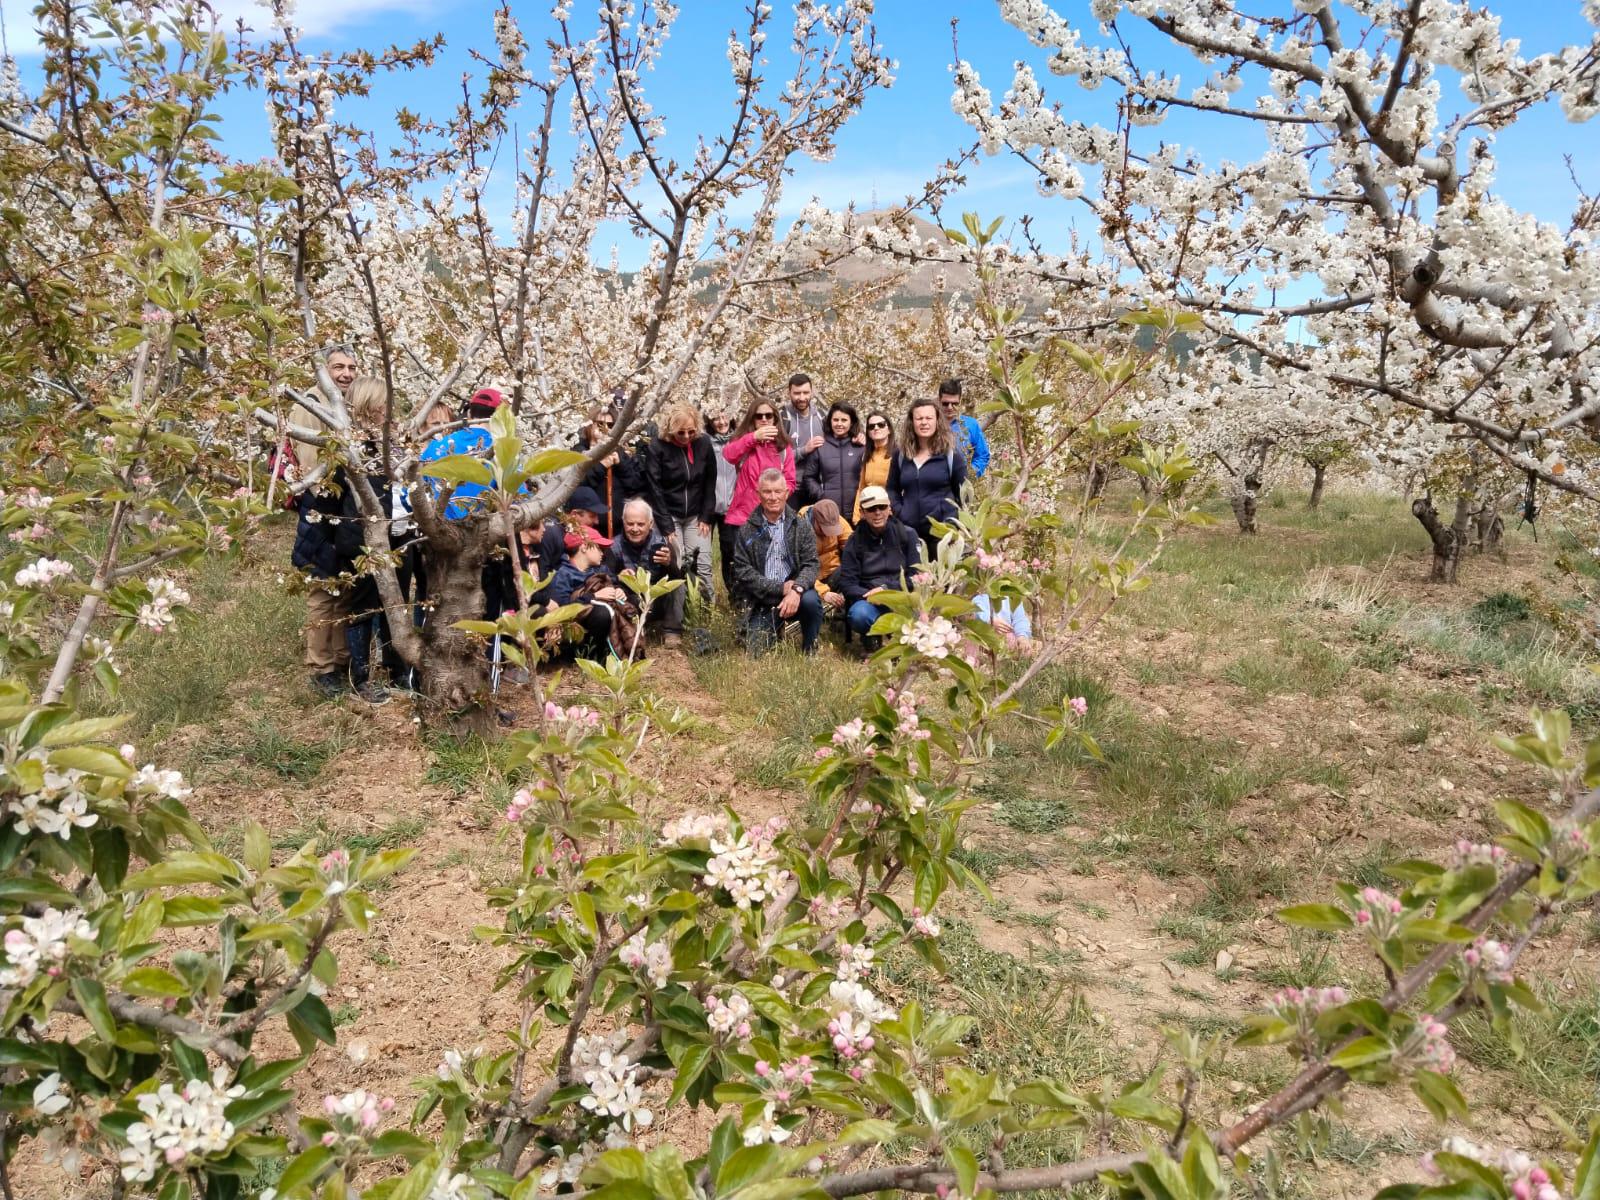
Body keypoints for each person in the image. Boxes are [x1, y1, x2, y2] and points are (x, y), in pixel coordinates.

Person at [292, 346, 362, 697]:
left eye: (352, 367)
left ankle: (340, 658)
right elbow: (310, 464)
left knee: (344, 583)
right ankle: (321, 667)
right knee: (322, 586)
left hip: (347, 505)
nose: (346, 373)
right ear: (324, 370)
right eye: (339, 367)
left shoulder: (349, 404)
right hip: (322, 503)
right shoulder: (310, 404)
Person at [336, 379, 398, 704]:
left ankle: (384, 671)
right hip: (359, 537)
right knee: (361, 606)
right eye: (382, 404)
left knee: (382, 604)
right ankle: (360, 679)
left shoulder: (380, 442)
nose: (387, 410)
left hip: (382, 534)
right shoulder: (352, 445)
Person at [731, 469, 822, 654]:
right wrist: (780, 588)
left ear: (787, 493)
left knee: (811, 601)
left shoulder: (801, 525)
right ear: (758, 494)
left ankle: (810, 646)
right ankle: (777, 628)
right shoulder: (747, 529)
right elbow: (743, 571)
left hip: (796, 593)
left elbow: (811, 564)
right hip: (763, 598)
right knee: (755, 651)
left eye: (778, 491)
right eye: (767, 492)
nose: (773, 497)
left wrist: (796, 590)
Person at [641, 402, 716, 606]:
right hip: (669, 513)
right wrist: (665, 524)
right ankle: (680, 612)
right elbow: (654, 486)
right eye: (680, 433)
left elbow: (710, 481)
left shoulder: (704, 443)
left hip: (695, 513)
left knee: (702, 563)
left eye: (690, 432)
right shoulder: (658, 446)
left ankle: (707, 609)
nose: (685, 437)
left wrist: (706, 515)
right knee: (678, 562)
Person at [836, 485, 921, 644]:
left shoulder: (908, 535)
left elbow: (917, 575)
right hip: (869, 599)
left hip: (901, 596)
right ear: (862, 513)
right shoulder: (854, 542)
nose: (877, 513)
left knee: (920, 615)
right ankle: (871, 639)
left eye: (882, 507)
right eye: (871, 509)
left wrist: (886, 591)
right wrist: (870, 595)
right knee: (859, 615)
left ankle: (899, 640)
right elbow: (847, 583)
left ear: (890, 509)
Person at [887, 398, 967, 557]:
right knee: (913, 579)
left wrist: (952, 523)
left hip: (941, 533)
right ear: (912, 422)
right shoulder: (901, 455)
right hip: (909, 532)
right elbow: (891, 488)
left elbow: (963, 496)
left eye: (929, 418)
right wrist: (900, 512)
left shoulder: (951, 456)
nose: (924, 422)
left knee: (940, 580)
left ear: (937, 421)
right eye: (919, 418)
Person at [606, 498, 687, 646]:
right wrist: (618, 579)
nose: (635, 529)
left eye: (640, 524)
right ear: (623, 522)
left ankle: (672, 631)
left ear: (650, 524)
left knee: (678, 586)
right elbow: (605, 579)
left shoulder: (662, 543)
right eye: (630, 524)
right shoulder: (613, 547)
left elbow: (677, 577)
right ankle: (632, 631)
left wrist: (669, 563)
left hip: (656, 600)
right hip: (631, 602)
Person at [419, 386, 503, 519]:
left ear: (469, 414)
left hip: (433, 527)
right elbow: (520, 499)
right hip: (479, 530)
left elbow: (410, 493)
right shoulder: (503, 450)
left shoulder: (435, 446)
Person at [547, 527, 627, 661]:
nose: (603, 553)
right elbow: (562, 609)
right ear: (584, 547)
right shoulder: (563, 575)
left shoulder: (600, 569)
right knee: (601, 614)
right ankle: (587, 655)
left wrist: (618, 590)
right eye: (599, 548)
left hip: (605, 621)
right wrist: (593, 597)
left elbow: (614, 582)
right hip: (577, 631)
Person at [722, 397, 796, 534]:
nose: (764, 419)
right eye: (758, 416)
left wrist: (777, 498)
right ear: (752, 419)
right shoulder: (745, 442)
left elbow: (790, 481)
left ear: (775, 419)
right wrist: (754, 437)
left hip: (773, 517)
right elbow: (729, 454)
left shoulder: (783, 448)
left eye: (768, 415)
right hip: (743, 517)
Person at [577, 407, 643, 541]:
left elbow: (636, 485)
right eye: (600, 424)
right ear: (590, 425)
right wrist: (601, 466)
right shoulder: (579, 452)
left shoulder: (622, 452)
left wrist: (621, 465)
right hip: (590, 527)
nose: (605, 428)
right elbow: (577, 485)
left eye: (611, 425)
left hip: (619, 529)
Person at [802, 401, 865, 516]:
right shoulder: (820, 446)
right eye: (835, 420)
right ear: (830, 421)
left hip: (857, 511)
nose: (839, 424)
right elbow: (809, 477)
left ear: (851, 422)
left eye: (844, 420)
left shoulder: (860, 446)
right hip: (829, 512)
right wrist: (822, 495)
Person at [706, 408, 739, 595]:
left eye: (725, 416)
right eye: (716, 418)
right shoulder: (704, 442)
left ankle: (734, 596)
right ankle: (703, 596)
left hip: (731, 507)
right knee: (702, 554)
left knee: (730, 552)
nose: (721, 422)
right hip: (709, 506)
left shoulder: (738, 440)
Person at [779, 373, 825, 501]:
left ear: (812, 392)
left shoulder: (821, 417)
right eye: (797, 393)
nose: (802, 397)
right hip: (791, 488)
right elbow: (776, 458)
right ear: (789, 393)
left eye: (806, 393)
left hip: (817, 487)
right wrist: (804, 450)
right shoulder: (782, 418)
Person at [802, 499, 851, 614]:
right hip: (811, 579)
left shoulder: (837, 519)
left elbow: (852, 548)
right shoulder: (798, 529)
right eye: (825, 529)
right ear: (815, 521)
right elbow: (799, 572)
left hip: (834, 572)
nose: (828, 533)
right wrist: (824, 592)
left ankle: (848, 612)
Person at [938, 379, 990, 478]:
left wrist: (969, 475)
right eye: (945, 403)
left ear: (960, 401)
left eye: (954, 404)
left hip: (960, 487)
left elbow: (982, 455)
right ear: (939, 400)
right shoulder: (928, 423)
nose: (950, 407)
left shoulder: (971, 425)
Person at [853, 409, 894, 522]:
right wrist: (857, 516)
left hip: (889, 514)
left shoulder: (897, 454)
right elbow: (862, 487)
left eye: (880, 425)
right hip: (868, 513)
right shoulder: (867, 456)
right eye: (871, 426)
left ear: (889, 429)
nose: (876, 428)